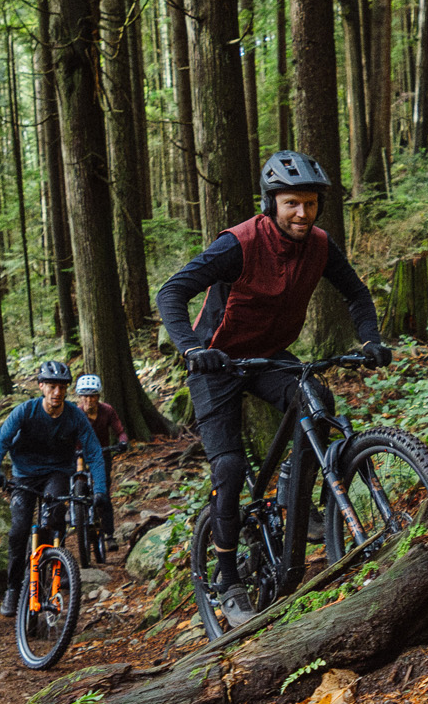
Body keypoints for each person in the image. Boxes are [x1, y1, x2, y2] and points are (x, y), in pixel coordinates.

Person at [154, 149, 388, 626]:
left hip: (268, 355)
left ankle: (291, 496)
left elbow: (356, 293)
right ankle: (228, 581)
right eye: (291, 204)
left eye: (310, 203)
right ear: (271, 204)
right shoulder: (239, 243)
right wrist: (192, 348)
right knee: (229, 467)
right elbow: (171, 291)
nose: (302, 213)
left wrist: (370, 339)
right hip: (216, 360)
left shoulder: (319, 245)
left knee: (317, 401)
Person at [0, 358, 110, 617]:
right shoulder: (25, 411)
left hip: (57, 471)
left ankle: (56, 566)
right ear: (41, 386)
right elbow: (1, 439)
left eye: (62, 387)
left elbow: (94, 452)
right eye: (52, 386)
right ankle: (12, 588)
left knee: (54, 516)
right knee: (19, 531)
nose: (57, 392)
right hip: (25, 475)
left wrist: (100, 490)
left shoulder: (74, 416)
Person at [76, 375, 127, 550]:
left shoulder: (107, 410)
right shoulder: (76, 413)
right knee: (77, 484)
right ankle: (76, 513)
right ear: (80, 397)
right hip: (80, 455)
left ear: (98, 397)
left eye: (93, 396)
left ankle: (109, 535)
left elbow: (120, 430)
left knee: (103, 494)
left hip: (102, 454)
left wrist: (122, 442)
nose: (89, 400)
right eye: (85, 396)